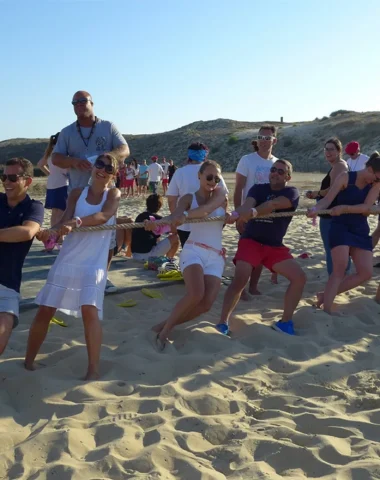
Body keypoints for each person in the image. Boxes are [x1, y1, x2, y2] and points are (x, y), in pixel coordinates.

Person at [24, 154, 120, 380]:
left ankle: (93, 370)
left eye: (108, 168)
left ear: (113, 174)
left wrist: (75, 223)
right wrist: (50, 233)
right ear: (93, 167)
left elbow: (104, 216)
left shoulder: (113, 194)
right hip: (69, 257)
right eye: (99, 164)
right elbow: (64, 219)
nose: (102, 170)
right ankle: (28, 362)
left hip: (94, 261)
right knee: (46, 308)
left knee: (90, 310)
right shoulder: (77, 193)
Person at [149, 161, 234, 350]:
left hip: (216, 255)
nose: (213, 181)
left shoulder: (221, 196)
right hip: (194, 249)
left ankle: (165, 323)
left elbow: (210, 215)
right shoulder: (188, 198)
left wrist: (228, 215)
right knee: (196, 294)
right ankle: (165, 332)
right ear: (199, 176)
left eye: (216, 178)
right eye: (209, 177)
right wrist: (159, 222)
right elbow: (177, 214)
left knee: (206, 304)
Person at [51, 90, 130, 294]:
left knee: (108, 237)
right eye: (75, 102)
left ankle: (103, 276)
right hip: (78, 192)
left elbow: (124, 149)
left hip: (105, 192)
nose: (79, 104)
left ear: (92, 103)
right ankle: (76, 276)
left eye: (82, 101)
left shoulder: (107, 126)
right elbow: (56, 158)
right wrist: (74, 161)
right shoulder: (67, 132)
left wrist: (106, 157)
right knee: (76, 236)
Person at [218, 159, 305, 336]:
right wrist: (238, 214)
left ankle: (285, 322)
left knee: (299, 278)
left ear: (288, 176)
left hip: (274, 246)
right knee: (240, 279)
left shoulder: (291, 192)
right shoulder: (258, 188)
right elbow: (247, 204)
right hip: (251, 241)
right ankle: (222, 322)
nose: (275, 173)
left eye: (281, 171)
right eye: (273, 170)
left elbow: (273, 204)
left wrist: (253, 213)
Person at [308, 153, 380, 314]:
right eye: (376, 178)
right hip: (340, 227)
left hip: (360, 229)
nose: (376, 182)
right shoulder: (345, 177)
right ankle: (326, 309)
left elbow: (366, 208)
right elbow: (327, 201)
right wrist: (314, 209)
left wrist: (345, 208)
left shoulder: (376, 184)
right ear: (369, 169)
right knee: (339, 269)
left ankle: (324, 296)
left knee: (366, 272)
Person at [0, 158, 44, 355]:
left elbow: (27, 232)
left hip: (8, 285)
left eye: (12, 178)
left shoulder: (34, 207)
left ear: (27, 181)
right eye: (3, 177)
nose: (6, 182)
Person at [234, 125, 278, 298]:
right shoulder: (247, 160)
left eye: (268, 138)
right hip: (247, 213)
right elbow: (239, 188)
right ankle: (241, 288)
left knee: (261, 251)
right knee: (245, 253)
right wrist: (238, 214)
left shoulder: (276, 162)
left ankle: (253, 286)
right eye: (261, 137)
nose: (264, 142)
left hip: (267, 213)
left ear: (274, 140)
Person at [167, 142, 229, 247]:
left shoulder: (180, 172)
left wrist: (176, 219)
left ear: (189, 155)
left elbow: (171, 199)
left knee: (188, 253)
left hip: (185, 225)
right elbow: (224, 198)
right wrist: (222, 221)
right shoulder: (213, 171)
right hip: (209, 223)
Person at [306, 138, 349, 275]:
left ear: (339, 151)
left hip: (332, 214)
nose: (328, 152)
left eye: (331, 149)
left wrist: (316, 193)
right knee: (337, 249)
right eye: (326, 149)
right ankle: (339, 279)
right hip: (332, 212)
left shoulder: (339, 166)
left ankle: (335, 280)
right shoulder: (338, 165)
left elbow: (333, 189)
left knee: (332, 250)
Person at [37, 132, 68, 251]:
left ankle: (52, 239)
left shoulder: (50, 151)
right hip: (62, 184)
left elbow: (40, 164)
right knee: (61, 213)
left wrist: (51, 174)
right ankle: (58, 238)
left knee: (55, 213)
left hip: (52, 185)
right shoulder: (61, 152)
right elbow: (66, 169)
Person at [131, 194, 179, 261]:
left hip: (135, 255)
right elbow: (176, 230)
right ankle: (168, 261)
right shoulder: (157, 219)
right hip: (148, 256)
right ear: (159, 206)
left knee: (157, 237)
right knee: (175, 238)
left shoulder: (140, 216)